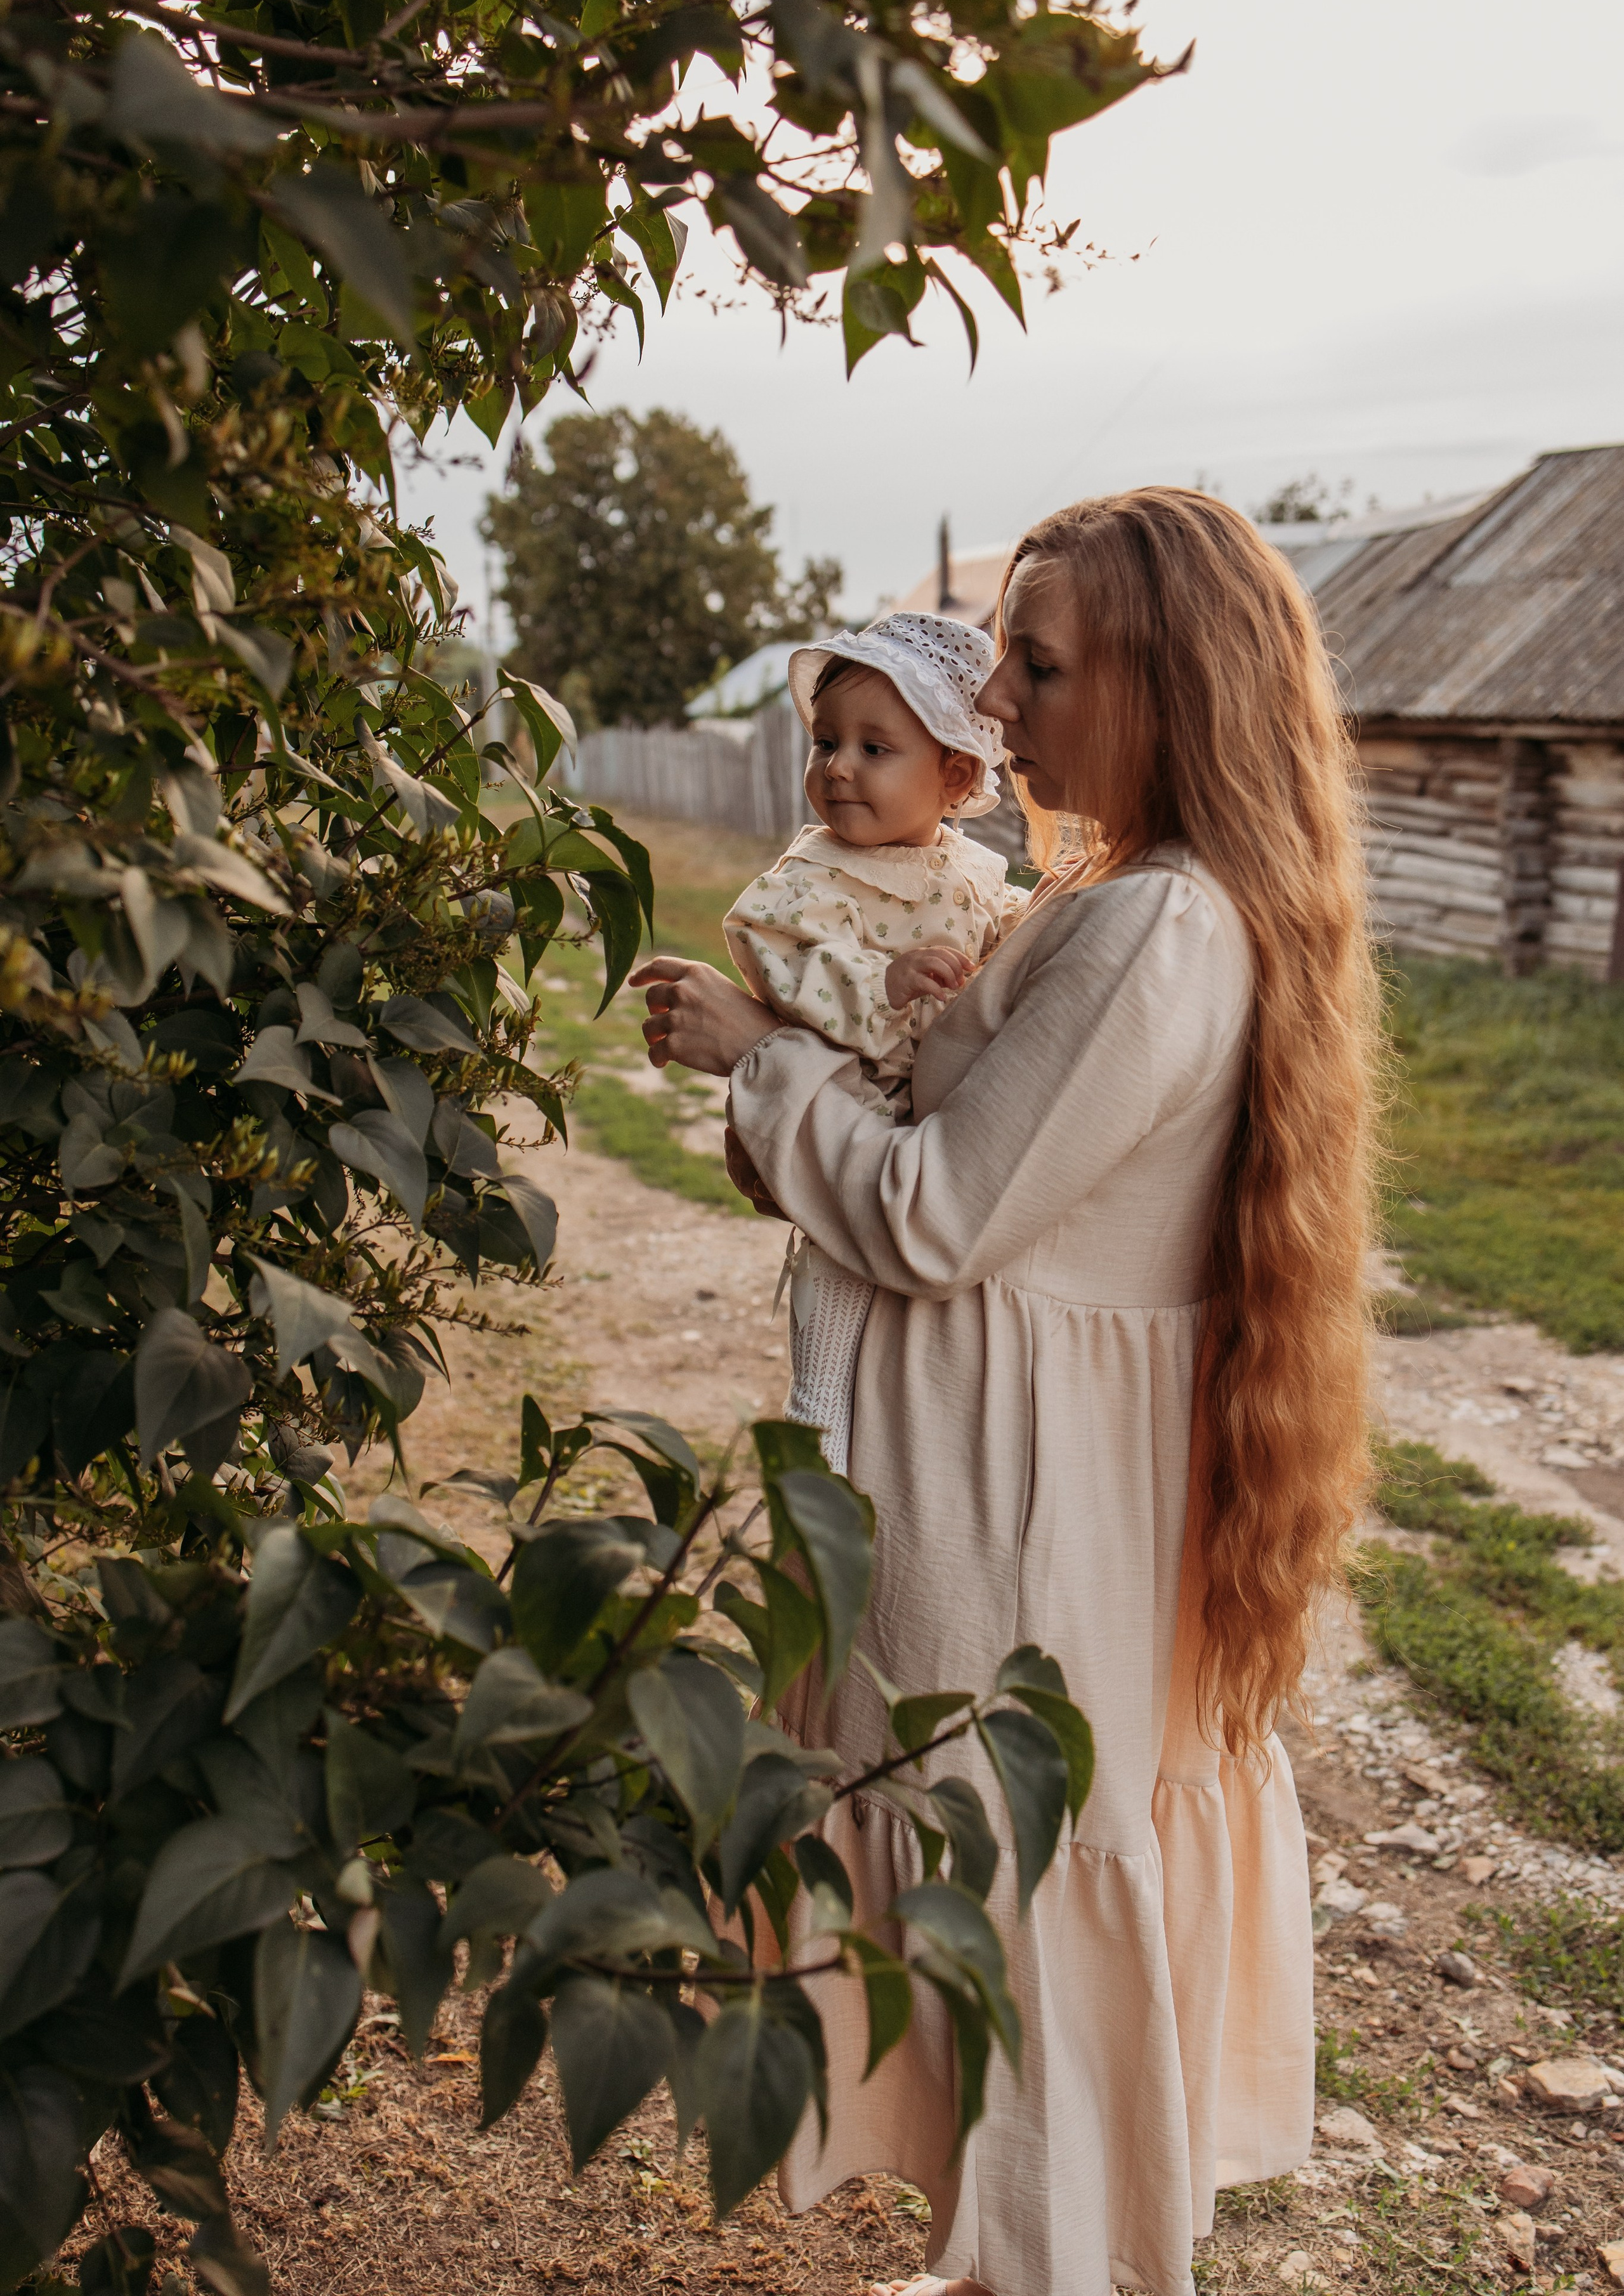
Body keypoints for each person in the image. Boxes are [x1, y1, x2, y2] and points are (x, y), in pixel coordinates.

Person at [631, 488, 1377, 2296]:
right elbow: (948, 1151)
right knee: (1009, 1878)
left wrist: (763, 1064)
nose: (999, 704)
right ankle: (1004, 2260)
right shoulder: (1136, 896)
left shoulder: (1159, 931)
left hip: (1016, 1499)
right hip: (1023, 1472)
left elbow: (942, 1207)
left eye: (1039, 669)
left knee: (1018, 1877)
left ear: (1167, 684)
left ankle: (1054, 2274)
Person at [721, 609, 1028, 1475]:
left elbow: (1006, 942)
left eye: (874, 748)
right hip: (849, 1124)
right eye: (826, 743)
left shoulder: (971, 872)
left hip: (941, 1139)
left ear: (957, 772)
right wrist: (883, 982)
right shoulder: (810, 879)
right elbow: (782, 968)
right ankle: (814, 1457)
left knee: (911, 1341)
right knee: (836, 1295)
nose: (838, 767)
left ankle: (884, 1468)